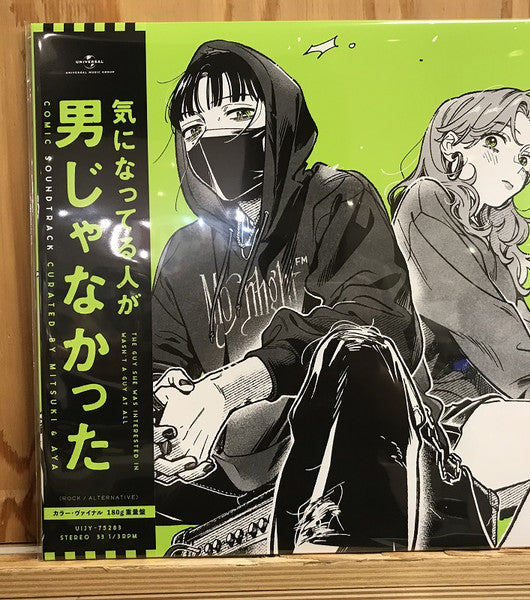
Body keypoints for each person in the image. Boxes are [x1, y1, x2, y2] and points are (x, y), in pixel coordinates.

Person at [151, 40, 427, 534]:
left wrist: (234, 387)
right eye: (195, 130)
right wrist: (166, 398)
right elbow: (158, 354)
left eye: (239, 113)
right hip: (218, 470)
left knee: (357, 355)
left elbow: (377, 318)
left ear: (280, 118)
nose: (217, 140)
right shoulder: (184, 251)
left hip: (334, 448)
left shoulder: (337, 199)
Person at [390, 88, 530, 429]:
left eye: (524, 158)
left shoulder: (481, 233)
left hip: (495, 403)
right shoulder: (425, 200)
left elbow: (521, 320)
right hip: (445, 411)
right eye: (493, 142)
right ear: (451, 145)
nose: (514, 166)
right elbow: (473, 311)